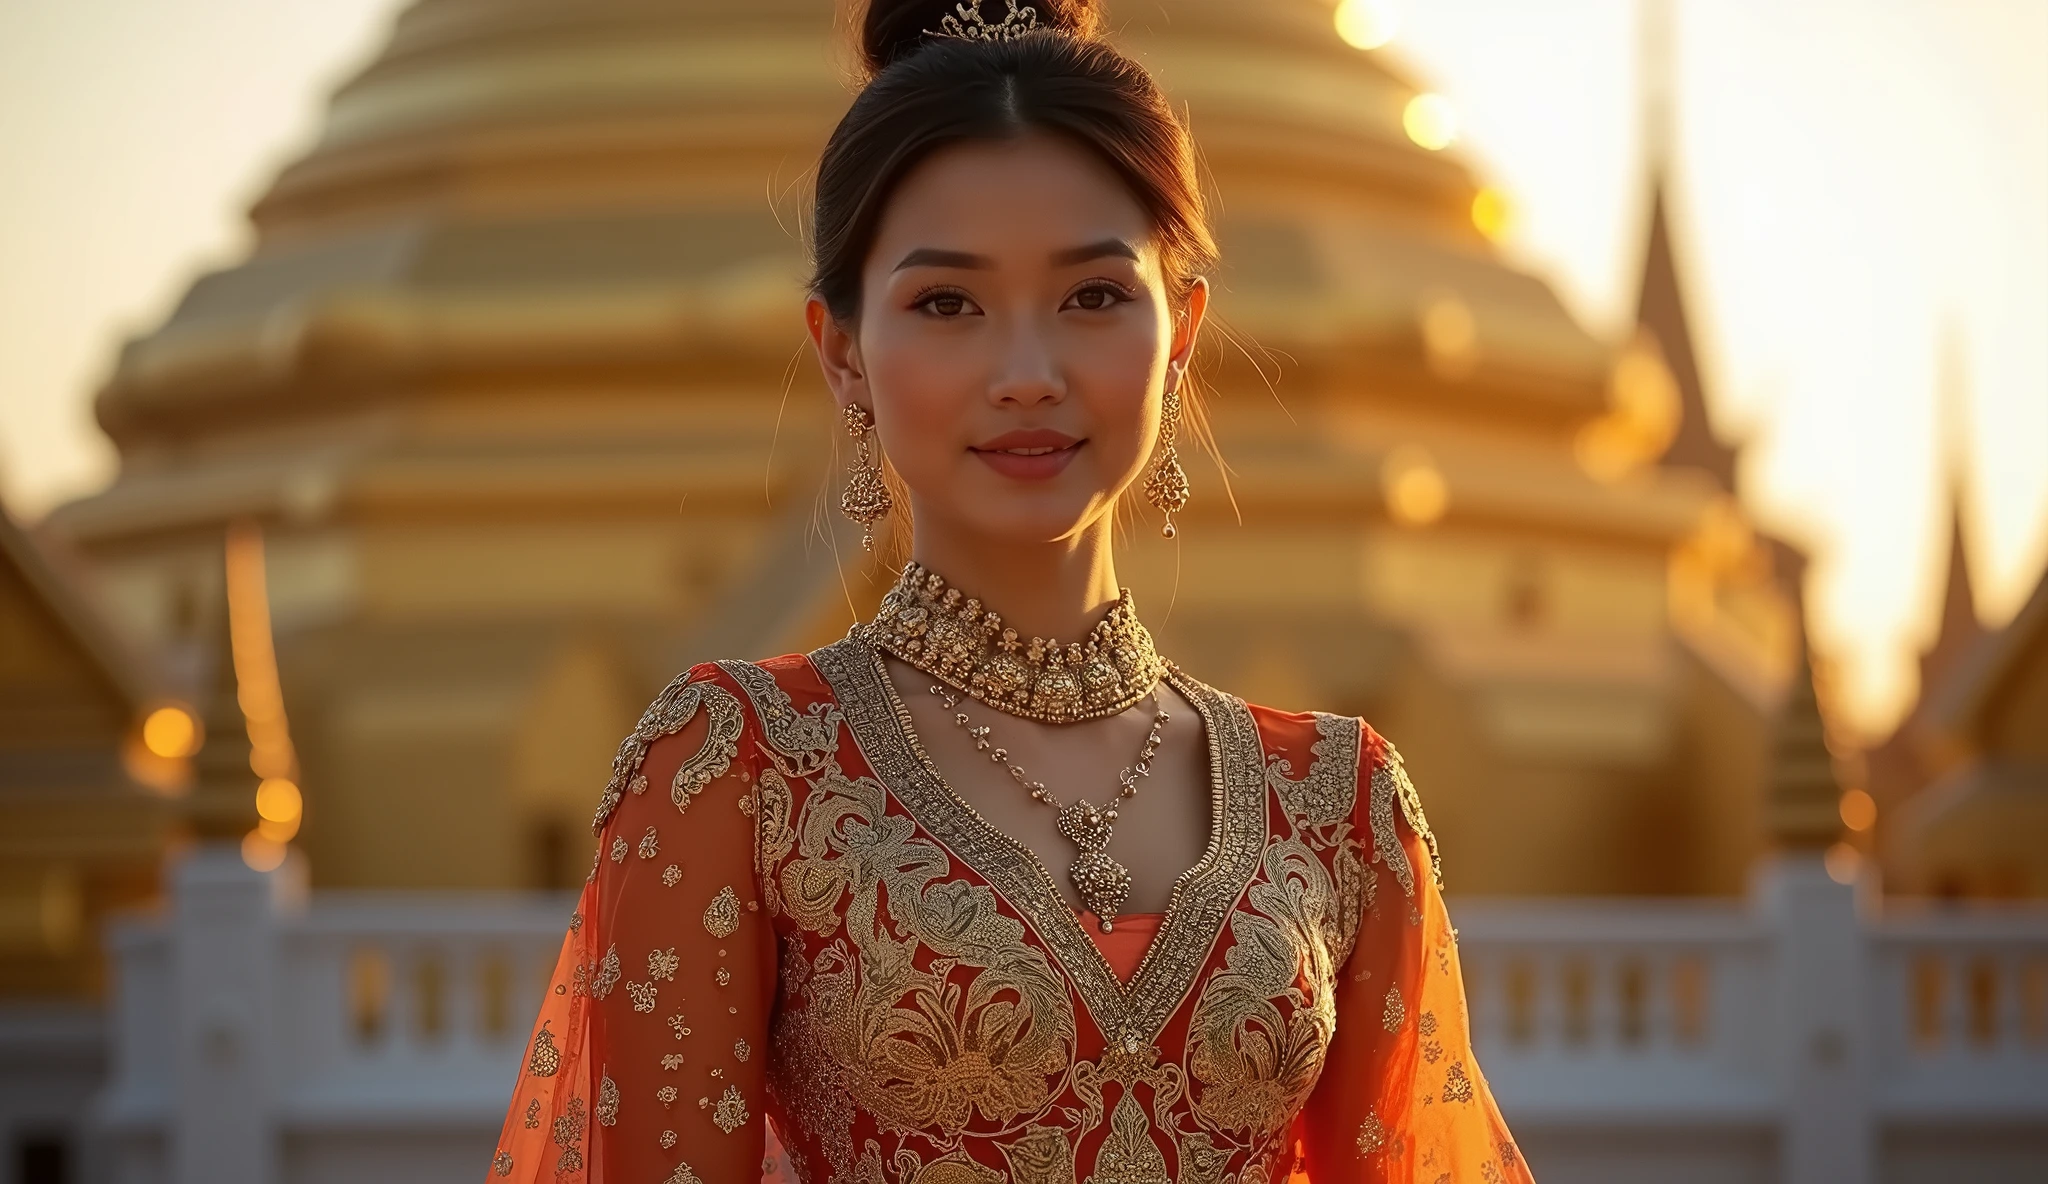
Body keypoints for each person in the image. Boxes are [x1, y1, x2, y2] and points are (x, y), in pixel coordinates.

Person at [488, 2, 1528, 1180]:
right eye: (946, 304)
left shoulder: (1339, 804)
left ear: (1179, 327)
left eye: (1092, 297)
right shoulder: (740, 765)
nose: (1027, 375)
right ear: (841, 351)